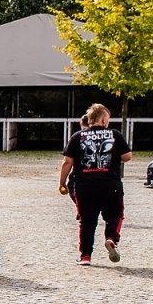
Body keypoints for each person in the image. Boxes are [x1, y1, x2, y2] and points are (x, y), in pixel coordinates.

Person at [59, 103, 130, 262]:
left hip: (85, 186)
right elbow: (127, 157)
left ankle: (85, 256)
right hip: (111, 184)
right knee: (115, 214)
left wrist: (62, 183)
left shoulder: (77, 136)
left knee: (87, 221)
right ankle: (111, 238)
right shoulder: (115, 134)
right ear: (104, 120)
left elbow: (67, 162)